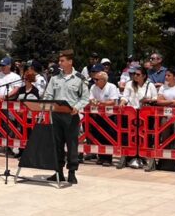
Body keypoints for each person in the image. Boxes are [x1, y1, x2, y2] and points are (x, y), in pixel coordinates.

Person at [41, 49, 90, 184]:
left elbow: (85, 98)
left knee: (72, 145)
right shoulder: (55, 78)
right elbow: (48, 95)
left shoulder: (79, 78)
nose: (59, 63)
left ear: (70, 62)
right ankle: (59, 172)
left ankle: (72, 172)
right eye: (59, 60)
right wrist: (47, 103)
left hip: (71, 116)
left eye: (62, 60)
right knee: (57, 144)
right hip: (56, 115)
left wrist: (77, 107)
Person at [89, 71, 120, 165]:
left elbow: (112, 102)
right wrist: (100, 103)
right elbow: (91, 100)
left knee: (108, 137)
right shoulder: (93, 87)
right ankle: (101, 157)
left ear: (103, 80)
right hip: (97, 115)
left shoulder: (112, 87)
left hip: (110, 116)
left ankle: (107, 159)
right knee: (98, 136)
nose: (95, 81)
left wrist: (99, 103)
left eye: (97, 79)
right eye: (94, 79)